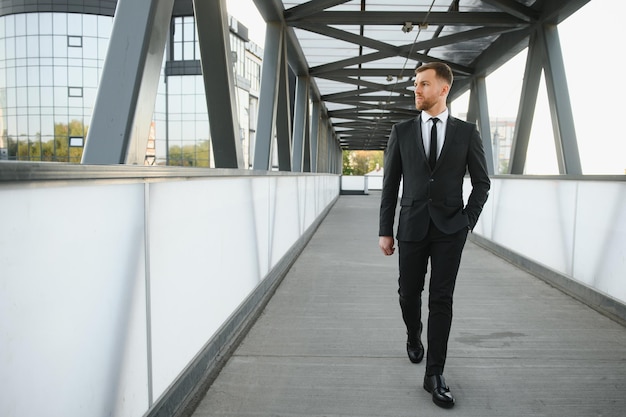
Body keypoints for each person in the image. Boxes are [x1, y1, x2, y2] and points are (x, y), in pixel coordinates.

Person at [378, 62, 490, 409]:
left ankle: (435, 374)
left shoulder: (466, 132)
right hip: (411, 226)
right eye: (415, 84)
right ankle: (414, 334)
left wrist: (466, 222)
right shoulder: (402, 130)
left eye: (424, 84)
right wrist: (385, 230)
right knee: (408, 294)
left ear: (443, 89)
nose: (416, 90)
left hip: (449, 230)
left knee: (441, 300)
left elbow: (482, 183)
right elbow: (390, 183)